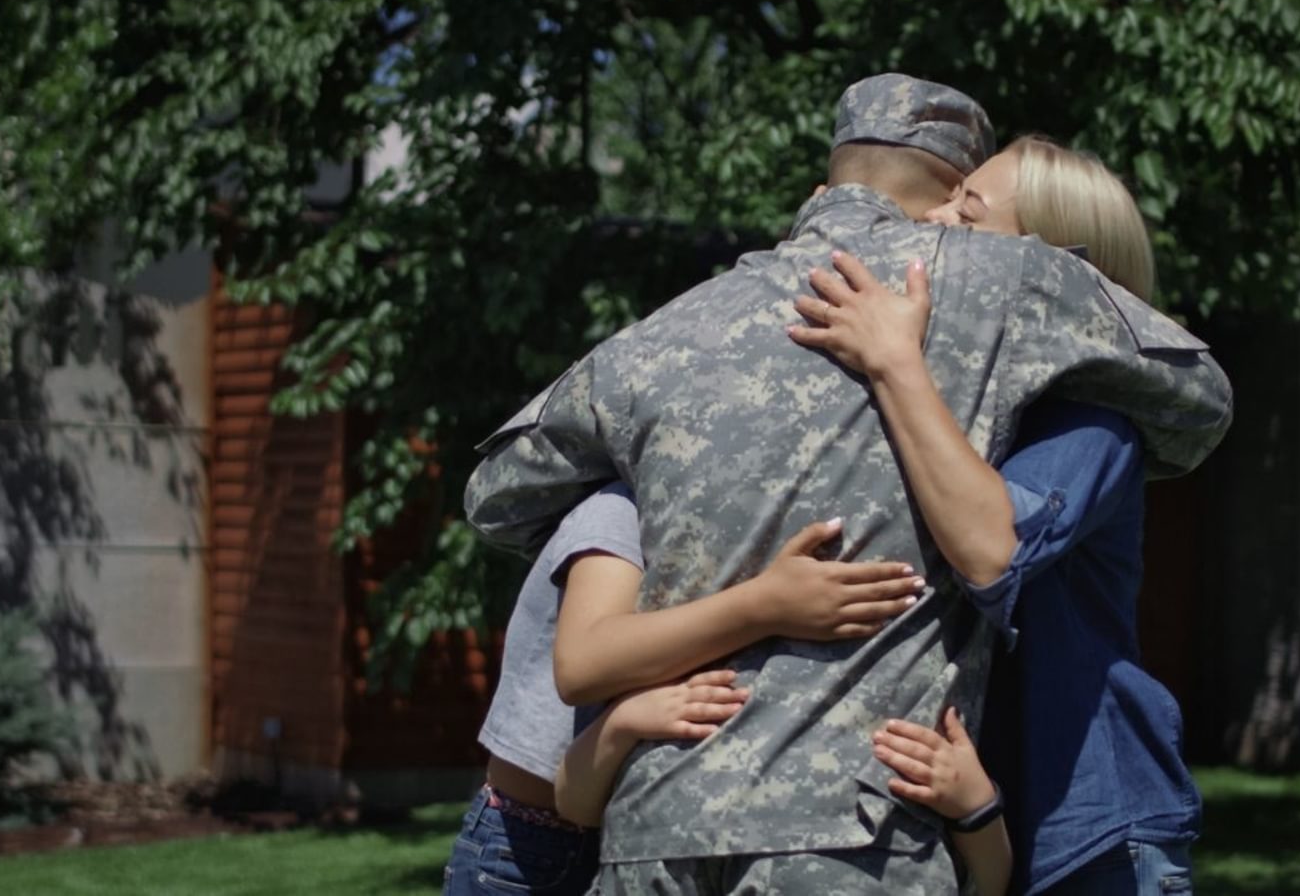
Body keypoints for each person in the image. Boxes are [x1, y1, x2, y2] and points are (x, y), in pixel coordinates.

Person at [465, 73, 1232, 894]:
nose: (941, 234)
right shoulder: (1006, 290)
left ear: (820, 187)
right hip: (873, 835)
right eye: (954, 206)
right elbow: (1201, 398)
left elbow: (500, 492)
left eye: (970, 216)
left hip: (674, 830)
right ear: (940, 179)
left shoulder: (659, 332)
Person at [794, 136, 1200, 895]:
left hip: (1088, 837)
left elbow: (992, 549)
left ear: (1050, 266)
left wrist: (894, 361)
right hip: (977, 828)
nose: (935, 217)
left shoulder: (1094, 414)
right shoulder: (965, 408)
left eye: (967, 209)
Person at [444, 484, 921, 896]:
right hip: (527, 841)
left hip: (627, 824)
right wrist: (769, 605)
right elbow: (584, 668)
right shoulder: (619, 509)